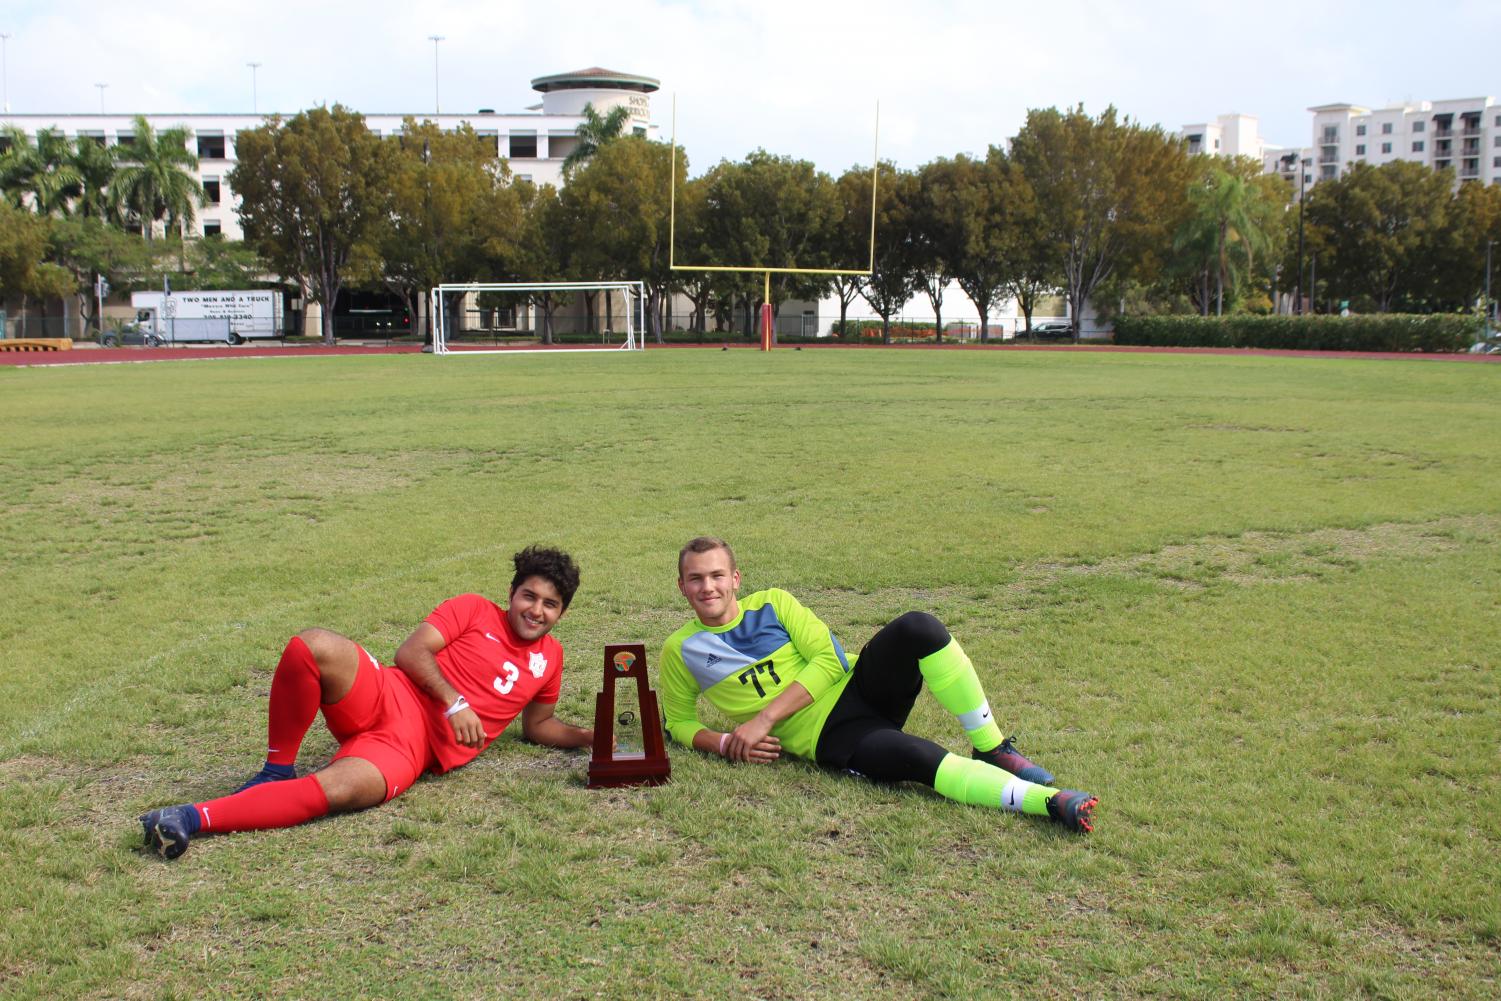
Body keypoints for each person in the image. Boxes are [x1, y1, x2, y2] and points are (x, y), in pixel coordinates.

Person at [139, 545, 593, 860]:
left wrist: (596, 736)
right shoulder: (473, 608)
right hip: (388, 692)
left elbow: (539, 726)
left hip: (411, 748)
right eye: (528, 596)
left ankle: (188, 819)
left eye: (549, 604)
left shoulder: (551, 659)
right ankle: (276, 769)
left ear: (562, 613)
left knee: (341, 791)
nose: (536, 610)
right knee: (311, 645)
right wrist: (455, 702)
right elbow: (410, 653)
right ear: (511, 594)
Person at [659, 537, 1098, 833]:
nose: (708, 586)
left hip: (861, 687)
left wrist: (763, 719)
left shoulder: (774, 602)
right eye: (696, 578)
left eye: (717, 575)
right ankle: (1052, 802)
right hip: (833, 737)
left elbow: (830, 660)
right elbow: (677, 721)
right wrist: (725, 743)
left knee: (918, 627)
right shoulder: (681, 650)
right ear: (681, 587)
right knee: (918, 757)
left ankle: (993, 748)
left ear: (735, 579)